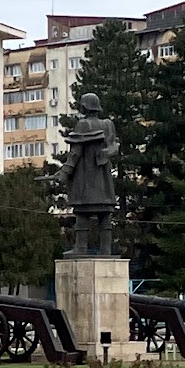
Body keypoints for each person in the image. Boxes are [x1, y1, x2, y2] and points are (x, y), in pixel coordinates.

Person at [38, 92, 119, 256]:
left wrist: (65, 172)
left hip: (87, 177)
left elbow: (75, 153)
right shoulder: (108, 124)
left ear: (84, 107)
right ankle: (106, 250)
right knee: (105, 215)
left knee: (82, 213)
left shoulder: (83, 125)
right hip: (103, 178)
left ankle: (81, 248)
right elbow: (113, 146)